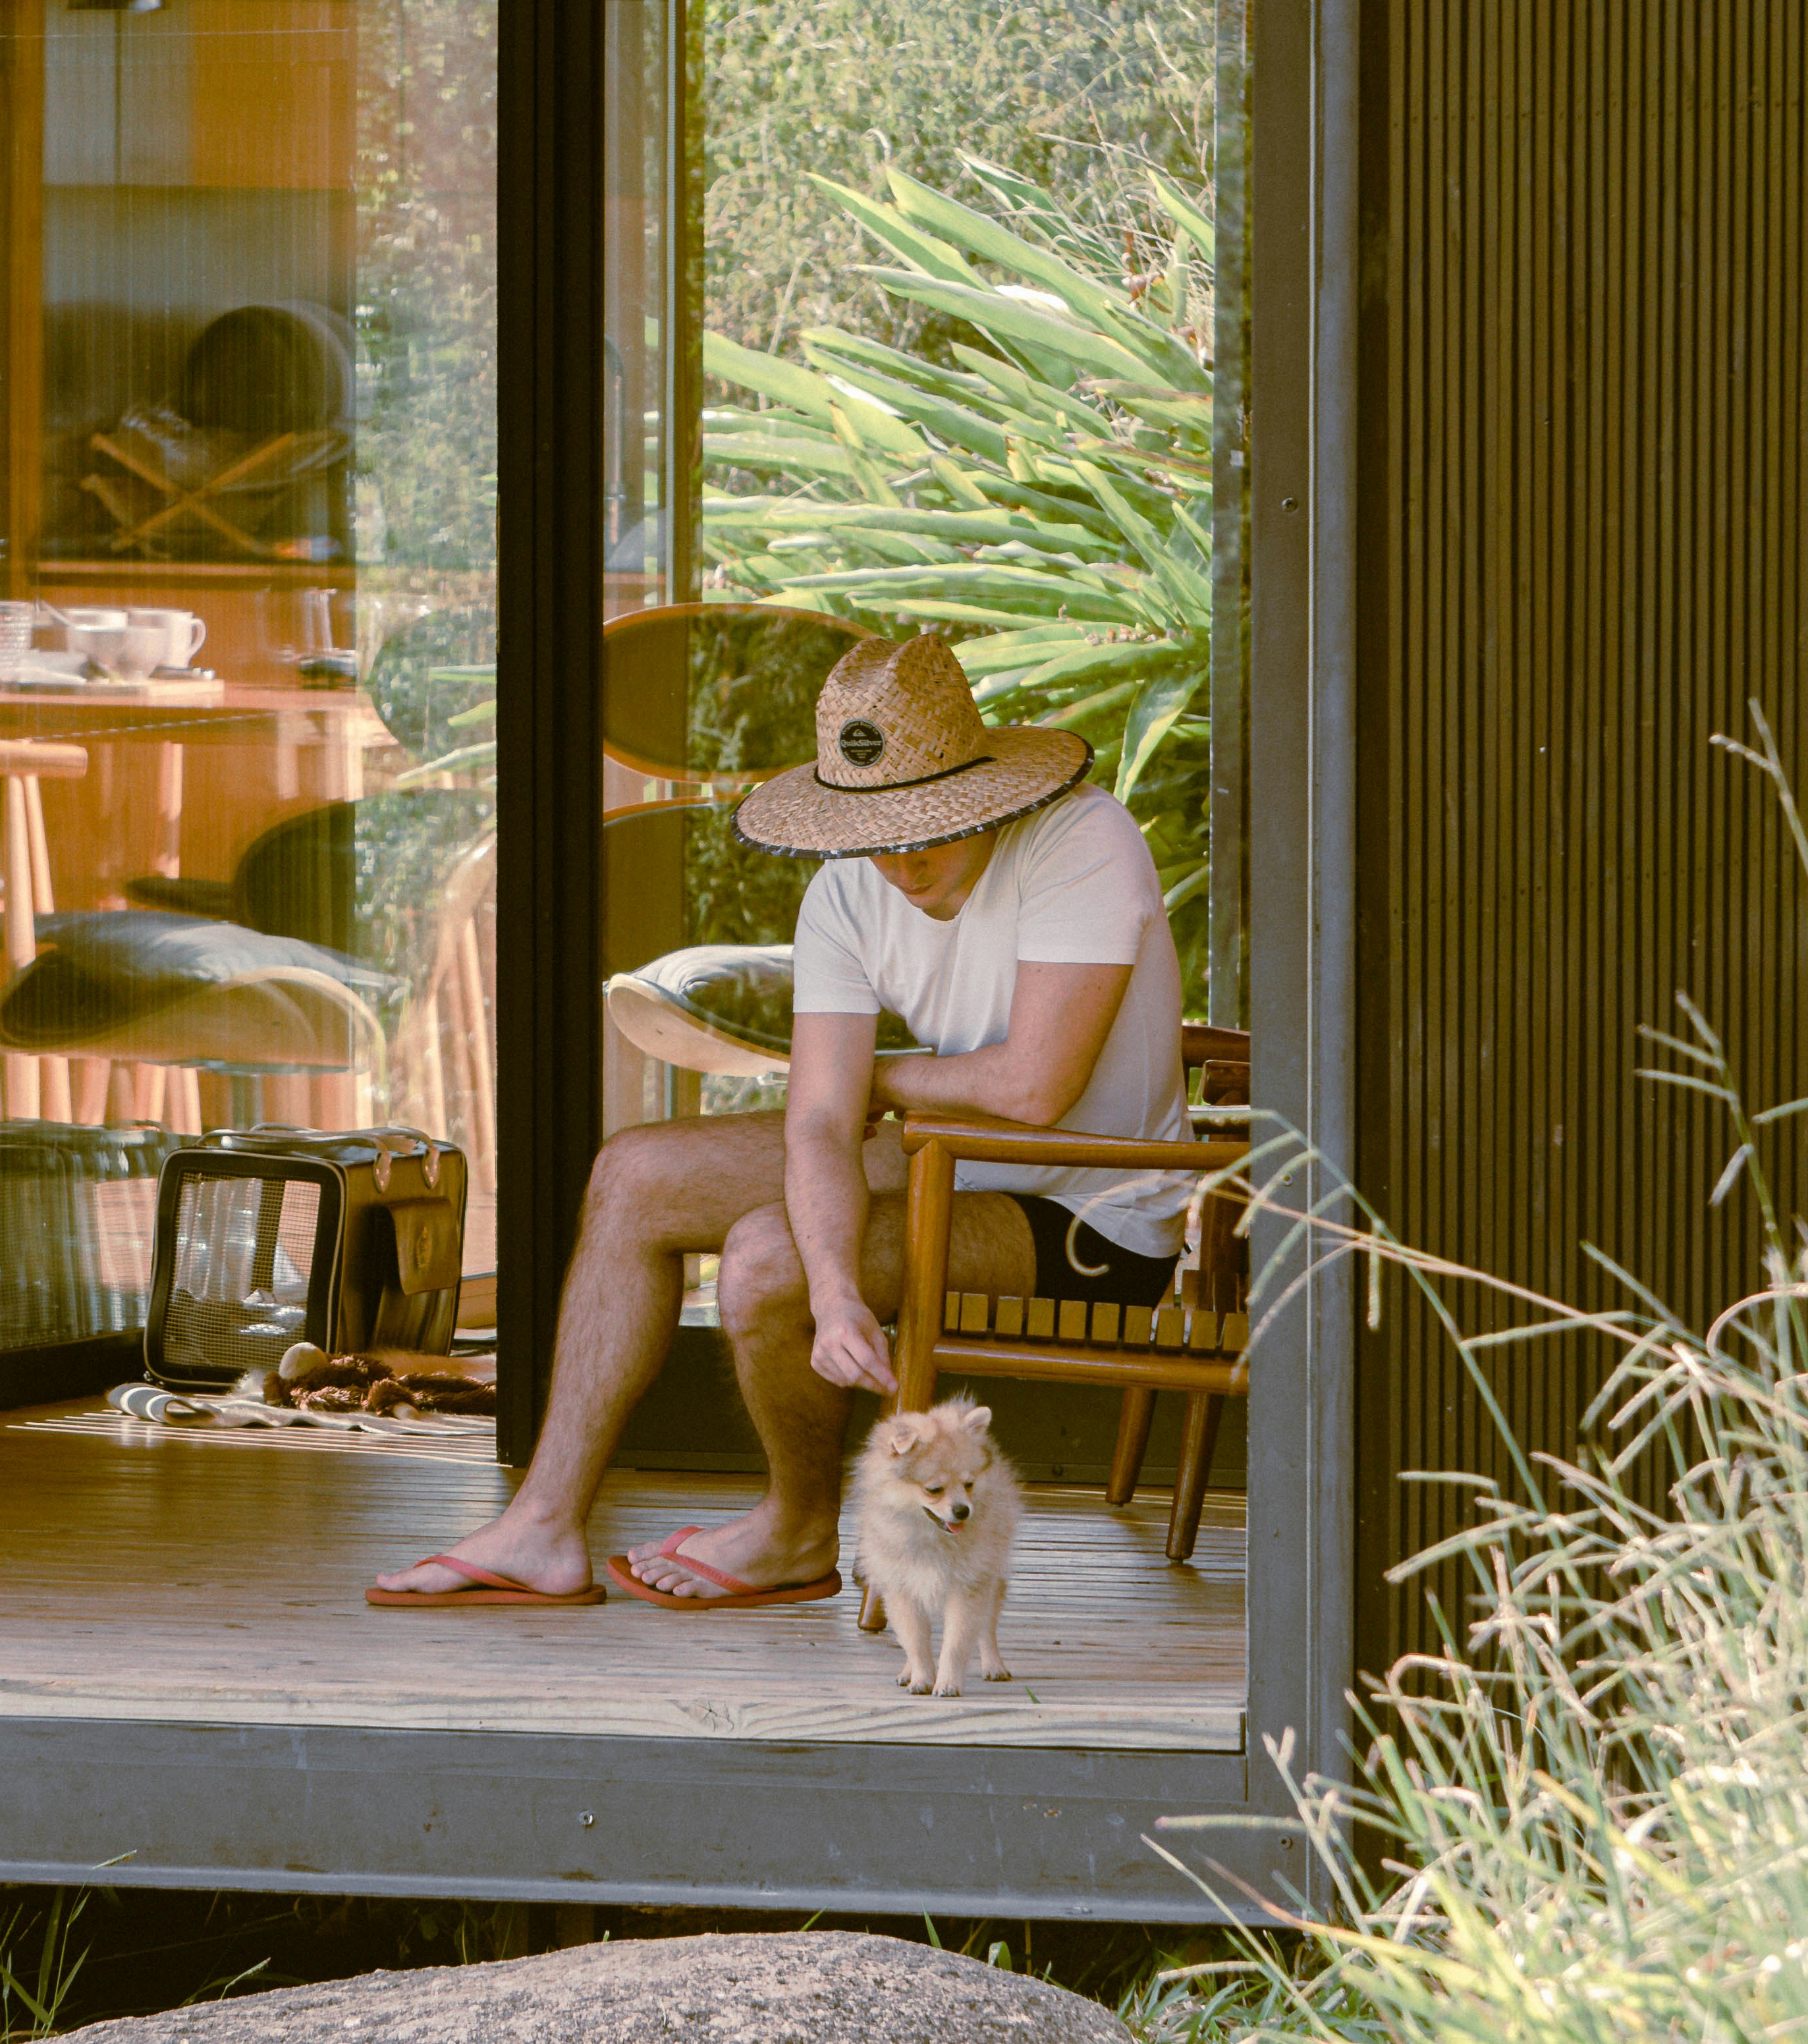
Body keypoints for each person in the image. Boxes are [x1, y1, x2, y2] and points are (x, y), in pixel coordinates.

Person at [369, 630, 1198, 1611]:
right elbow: (817, 1120)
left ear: (979, 791)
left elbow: (1032, 1090)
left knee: (768, 1257)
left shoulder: (1079, 841)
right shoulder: (846, 889)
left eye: (924, 821)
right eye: (874, 827)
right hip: (947, 1160)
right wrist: (841, 1288)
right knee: (636, 1175)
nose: (900, 857)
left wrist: (879, 1081)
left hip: (1090, 1210)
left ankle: (797, 1527)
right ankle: (544, 1526)